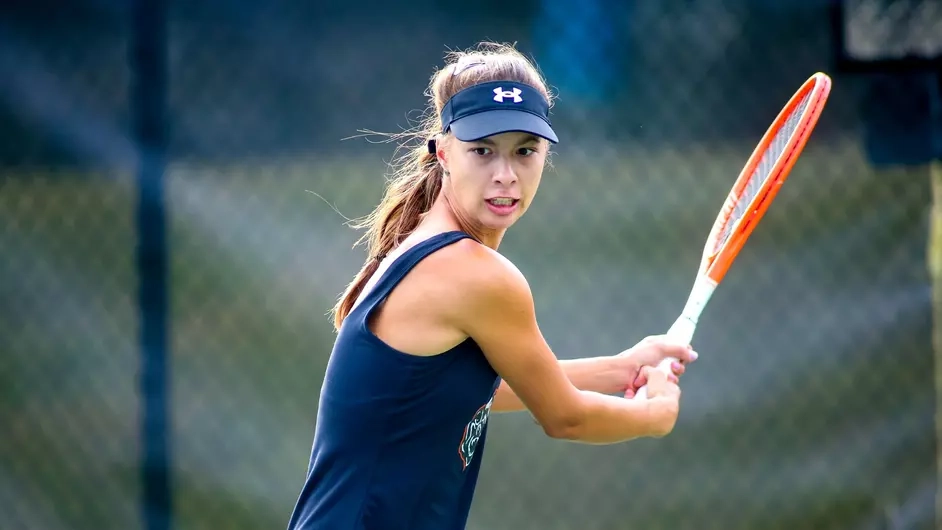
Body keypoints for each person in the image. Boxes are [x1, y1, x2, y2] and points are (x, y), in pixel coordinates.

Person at [286, 42, 698, 530]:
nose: (505, 175)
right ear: (443, 153)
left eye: (525, 151)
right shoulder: (475, 273)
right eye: (483, 150)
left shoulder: (427, 244)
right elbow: (564, 417)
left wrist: (620, 368)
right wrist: (656, 416)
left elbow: (462, 390)